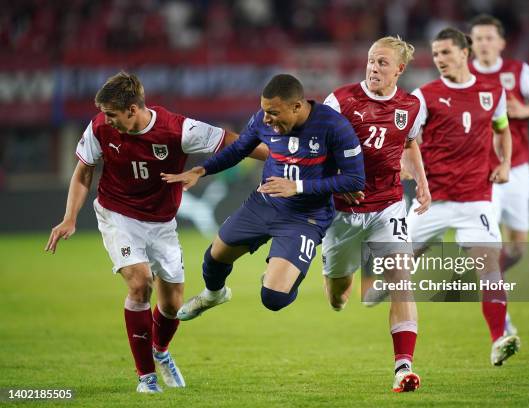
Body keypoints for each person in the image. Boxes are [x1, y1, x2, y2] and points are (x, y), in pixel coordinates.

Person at [44, 71, 268, 393]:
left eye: (112, 114)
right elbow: (83, 172)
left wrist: (282, 160)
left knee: (173, 304)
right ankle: (146, 377)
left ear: (133, 109)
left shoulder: (178, 129)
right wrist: (69, 218)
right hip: (117, 215)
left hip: (162, 222)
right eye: (105, 114)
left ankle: (160, 352)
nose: (107, 120)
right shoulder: (99, 127)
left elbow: (235, 143)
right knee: (139, 283)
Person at [162, 74, 365, 320]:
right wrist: (202, 170)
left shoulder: (334, 126)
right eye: (264, 111)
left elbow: (355, 180)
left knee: (273, 298)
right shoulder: (262, 119)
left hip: (306, 217)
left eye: (274, 113)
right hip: (264, 203)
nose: (267, 119)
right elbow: (239, 149)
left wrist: (298, 186)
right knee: (214, 258)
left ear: (297, 106)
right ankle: (214, 294)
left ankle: (283, 277)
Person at [321, 36, 430, 392]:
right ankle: (342, 292)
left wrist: (423, 183)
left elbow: (410, 144)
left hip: (388, 205)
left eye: (382, 63)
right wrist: (336, 182)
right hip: (343, 212)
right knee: (338, 293)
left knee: (402, 280)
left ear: (399, 69)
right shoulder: (340, 101)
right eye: (371, 60)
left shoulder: (410, 106)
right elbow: (315, 150)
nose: (374, 68)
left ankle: (403, 368)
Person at [409, 28, 520, 366]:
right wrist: (414, 176)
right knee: (392, 264)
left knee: (489, 269)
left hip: (476, 199)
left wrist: (504, 163)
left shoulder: (493, 91)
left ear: (464, 52)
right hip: (434, 200)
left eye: (445, 52)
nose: (439, 60)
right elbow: (408, 142)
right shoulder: (424, 95)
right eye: (435, 54)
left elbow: (502, 130)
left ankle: (499, 337)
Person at [469, 14, 529, 335]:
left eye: (489, 38)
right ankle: (500, 320)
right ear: (471, 43)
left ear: (501, 42)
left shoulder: (518, 72)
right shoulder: (465, 75)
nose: (484, 44)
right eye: (478, 38)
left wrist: (525, 111)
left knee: (517, 246)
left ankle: (494, 275)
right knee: (489, 246)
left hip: (517, 168)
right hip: (481, 173)